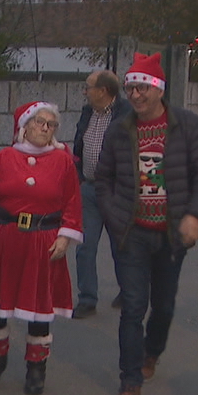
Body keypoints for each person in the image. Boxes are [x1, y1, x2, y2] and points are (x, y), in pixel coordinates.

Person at [95, 52, 198, 395]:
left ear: (159, 90)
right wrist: (115, 215)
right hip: (131, 233)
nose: (136, 95)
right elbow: (103, 179)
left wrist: (195, 215)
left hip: (171, 235)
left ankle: (153, 352)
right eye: (131, 88)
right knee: (133, 306)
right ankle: (129, 382)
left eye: (143, 88)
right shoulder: (120, 129)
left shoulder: (188, 126)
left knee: (162, 305)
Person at [0, 102, 82, 395]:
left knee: (40, 308)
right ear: (24, 126)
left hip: (44, 242)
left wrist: (65, 237)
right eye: (40, 121)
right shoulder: (4, 157)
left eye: (51, 124)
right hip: (5, 239)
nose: (45, 127)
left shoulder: (63, 163)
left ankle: (36, 368)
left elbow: (73, 203)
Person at [71, 69, 127, 318]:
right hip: (89, 188)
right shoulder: (87, 113)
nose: (85, 92)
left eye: (89, 87)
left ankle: (129, 290)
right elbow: (79, 145)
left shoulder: (127, 114)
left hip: (116, 191)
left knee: (121, 246)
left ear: (103, 91)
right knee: (85, 246)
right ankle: (87, 299)